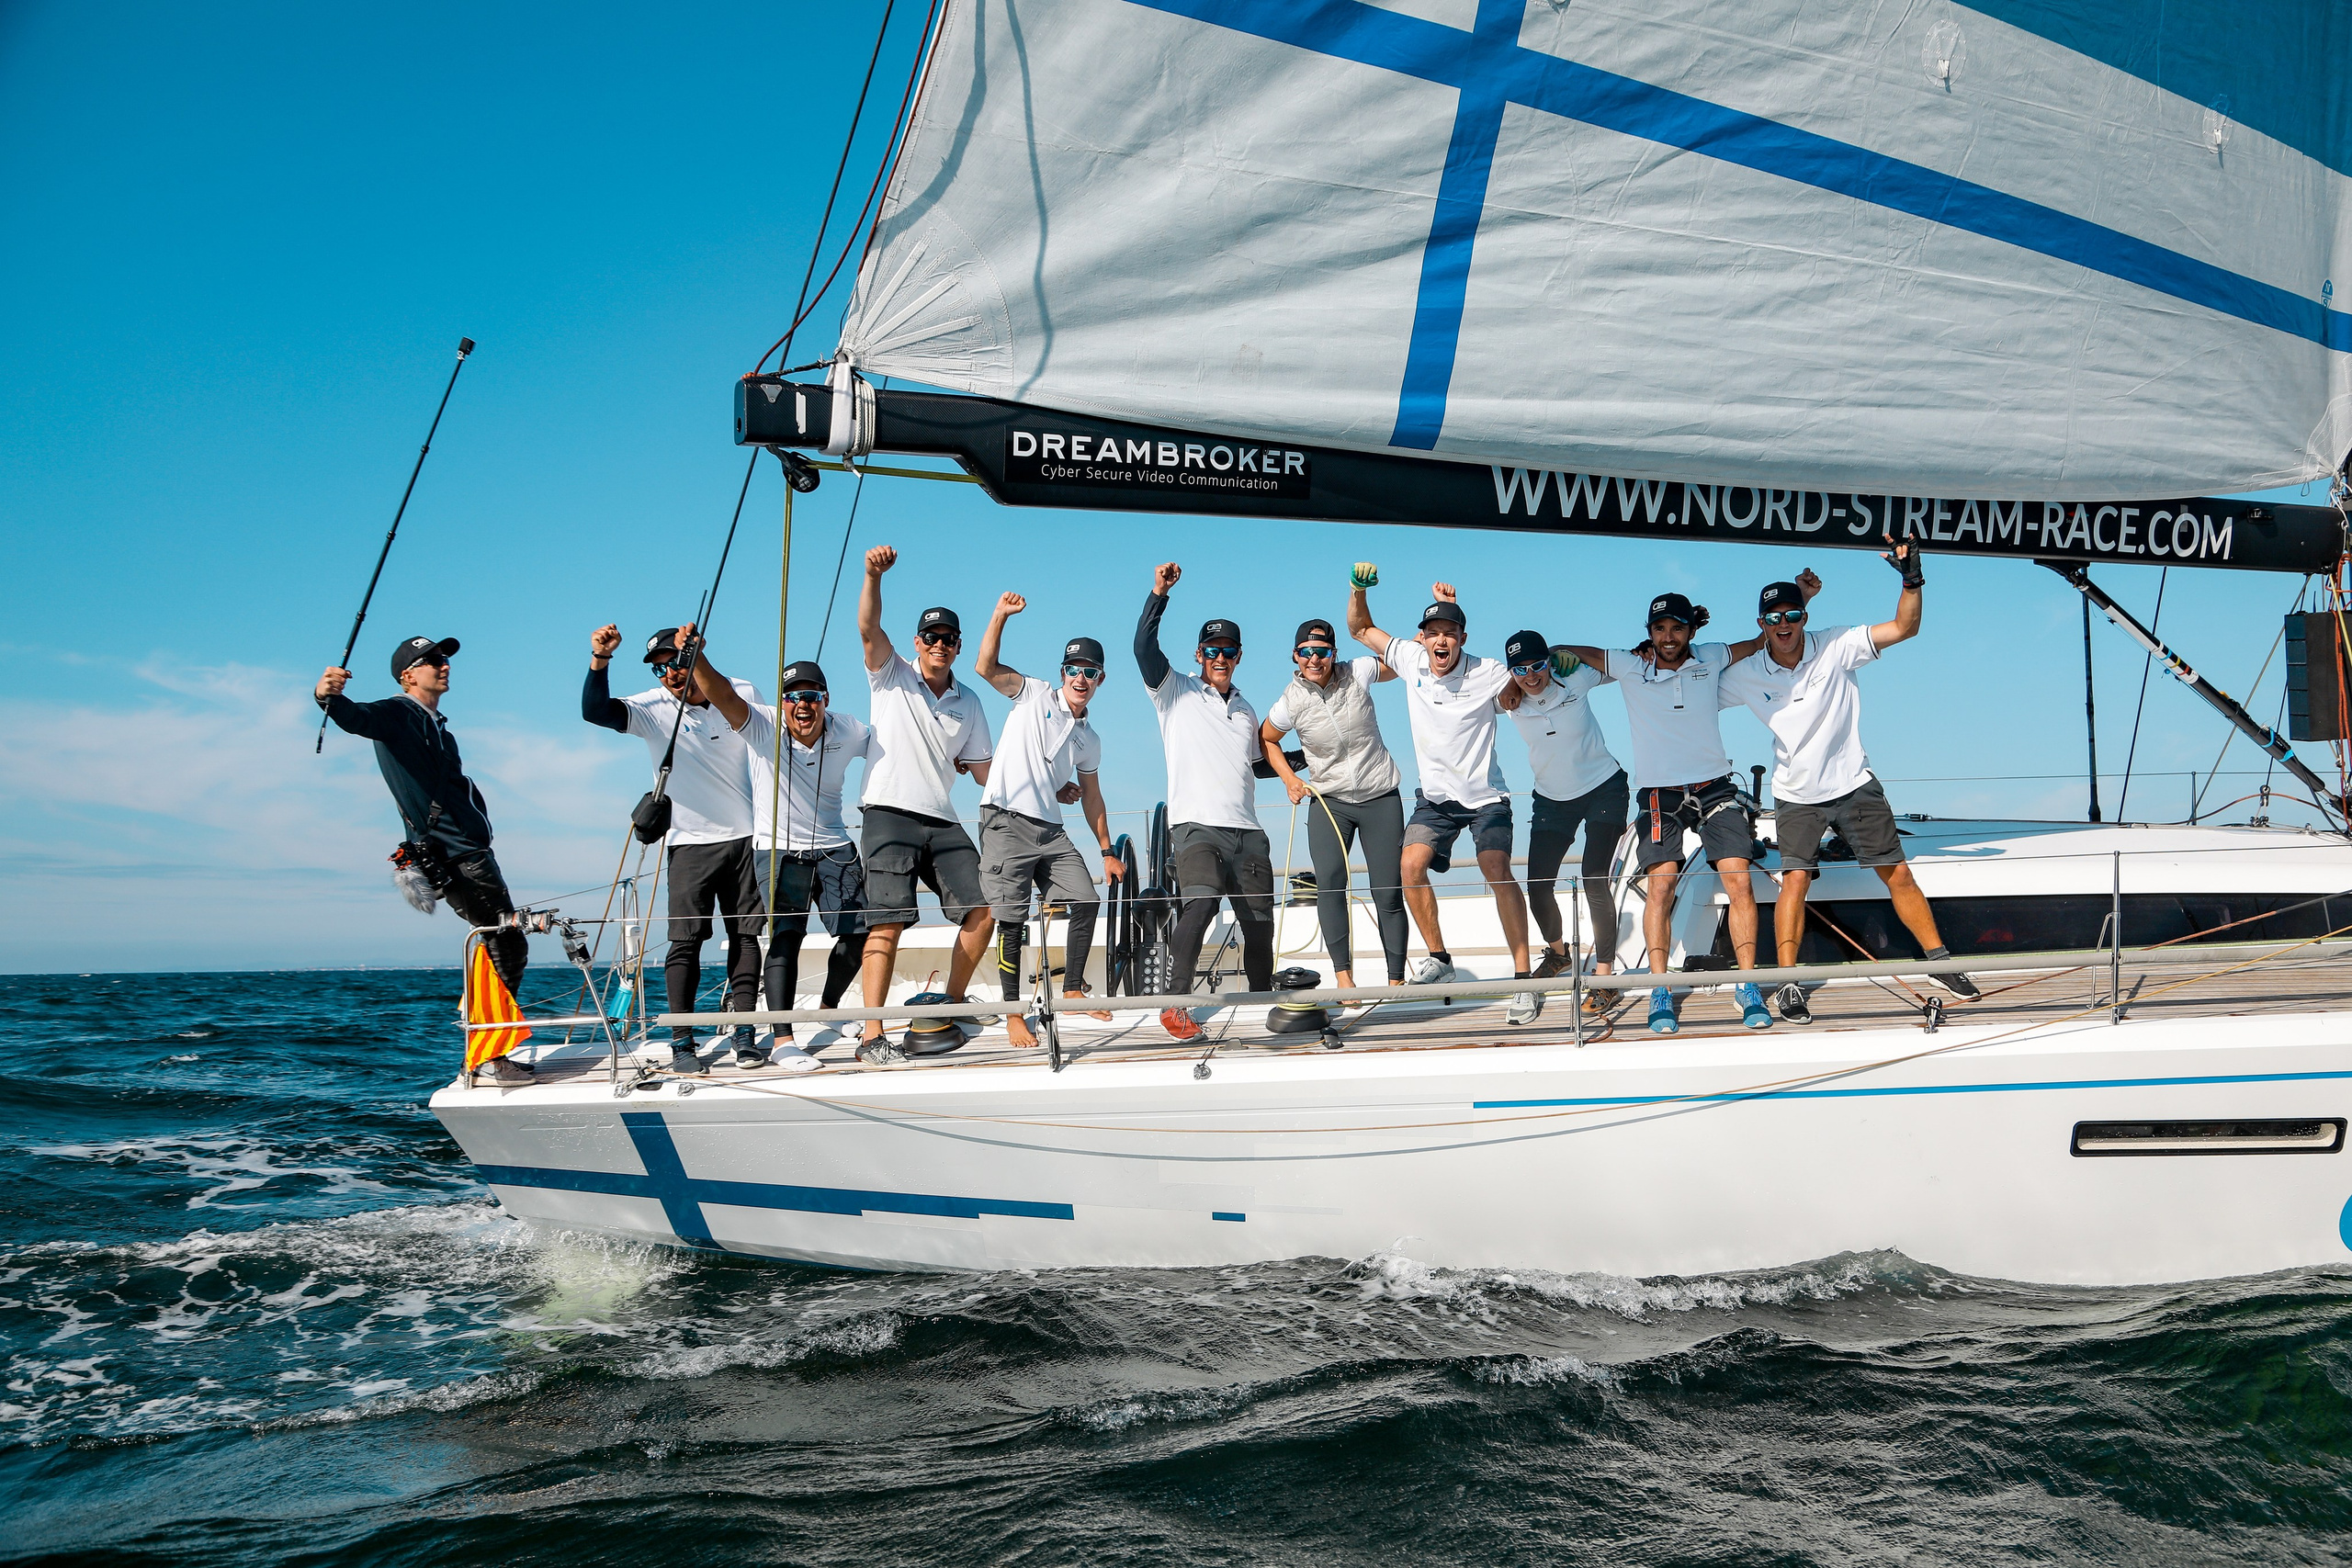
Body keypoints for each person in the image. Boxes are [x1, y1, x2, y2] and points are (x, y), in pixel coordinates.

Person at [1720, 542, 1978, 1022]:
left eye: (1792, 615)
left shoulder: (1837, 644)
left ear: (1803, 617)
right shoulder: (1746, 674)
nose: (1783, 624)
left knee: (1897, 872)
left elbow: (1905, 627)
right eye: (1773, 618)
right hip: (1796, 793)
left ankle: (1941, 963)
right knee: (1795, 880)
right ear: (1761, 624)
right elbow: (1692, 687)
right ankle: (1788, 983)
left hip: (1854, 784)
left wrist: (1911, 580)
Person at [1555, 581, 1813, 1035]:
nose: (1668, 636)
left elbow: (1763, 641)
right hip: (1660, 794)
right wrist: (1555, 653)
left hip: (1715, 787)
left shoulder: (1711, 656)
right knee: (1661, 886)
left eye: (1677, 628)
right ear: (1649, 633)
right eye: (1659, 629)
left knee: (1739, 880)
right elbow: (1577, 651)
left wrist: (1802, 603)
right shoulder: (1630, 665)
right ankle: (1660, 989)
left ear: (1692, 630)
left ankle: (1748, 985)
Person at [316, 636, 533, 1085]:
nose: (444, 665)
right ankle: (488, 1056)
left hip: (468, 850)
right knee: (505, 943)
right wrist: (327, 696)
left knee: (498, 944)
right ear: (407, 675)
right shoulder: (397, 713)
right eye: (432, 660)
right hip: (456, 854)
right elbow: (356, 718)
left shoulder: (439, 727)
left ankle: (485, 1051)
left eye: (445, 658)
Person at [1348, 570, 1542, 1025]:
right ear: (1423, 638)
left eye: (1449, 633)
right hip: (1435, 800)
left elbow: (1519, 689)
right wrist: (1358, 590)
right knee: (1409, 865)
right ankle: (1440, 959)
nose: (1440, 641)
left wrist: (1530, 682)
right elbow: (1360, 628)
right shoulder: (1411, 659)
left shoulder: (1487, 670)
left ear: (1462, 639)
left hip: (1486, 798)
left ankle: (1524, 980)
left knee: (1495, 868)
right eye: (1432, 632)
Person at [583, 623, 762, 1076]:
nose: (669, 674)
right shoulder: (652, 707)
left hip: (748, 838)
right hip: (688, 844)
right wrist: (600, 659)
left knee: (745, 937)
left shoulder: (740, 691)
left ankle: (744, 1034)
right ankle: (682, 1041)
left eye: (675, 662)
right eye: (659, 669)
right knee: (685, 944)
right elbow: (595, 712)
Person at [690, 649, 876, 1071]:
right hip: (780, 850)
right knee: (787, 937)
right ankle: (783, 1041)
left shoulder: (849, 730)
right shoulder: (763, 725)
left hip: (835, 847)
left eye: (811, 696)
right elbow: (721, 695)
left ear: (825, 700)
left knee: (857, 935)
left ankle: (829, 1011)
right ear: (782, 702)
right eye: (792, 697)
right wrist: (698, 658)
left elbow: (896, 744)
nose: (802, 705)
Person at [855, 546, 997, 1058]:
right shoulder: (890, 673)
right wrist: (873, 576)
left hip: (941, 818)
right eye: (931, 637)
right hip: (888, 812)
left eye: (948, 639)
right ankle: (872, 1034)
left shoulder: (970, 701)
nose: (940, 644)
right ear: (917, 643)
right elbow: (869, 628)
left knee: (984, 908)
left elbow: (986, 773)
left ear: (958, 646)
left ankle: (952, 1002)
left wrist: (1048, 786)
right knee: (887, 921)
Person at [971, 592, 1127, 1048]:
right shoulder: (1034, 693)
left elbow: (1092, 795)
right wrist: (1000, 615)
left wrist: (1107, 851)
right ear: (1062, 674)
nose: (1081, 678)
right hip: (1005, 820)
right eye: (1073, 669)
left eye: (1090, 672)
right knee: (1011, 919)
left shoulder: (1089, 739)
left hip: (1050, 830)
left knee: (1086, 899)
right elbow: (985, 667)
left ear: (1100, 680)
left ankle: (1073, 990)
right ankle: (1013, 1012)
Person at [1136, 561, 1278, 1042]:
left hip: (1248, 831)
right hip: (1195, 825)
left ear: (1239, 657)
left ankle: (1263, 1002)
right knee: (1200, 905)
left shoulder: (1247, 709)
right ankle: (1175, 1004)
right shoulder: (1173, 689)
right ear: (1199, 654)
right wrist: (1159, 593)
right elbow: (1143, 648)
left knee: (1259, 925)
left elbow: (1258, 764)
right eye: (1212, 650)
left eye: (1228, 651)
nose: (1220, 657)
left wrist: (1307, 759)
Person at [1259, 615, 1409, 994]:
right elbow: (1267, 740)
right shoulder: (1290, 701)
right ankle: (1344, 979)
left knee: (1388, 890)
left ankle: (1396, 981)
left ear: (1334, 653)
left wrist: (1420, 641)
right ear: (1296, 656)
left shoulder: (1358, 671)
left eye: (1322, 652)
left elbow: (1402, 663)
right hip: (1330, 802)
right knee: (1329, 885)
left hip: (1380, 796)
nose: (1315, 659)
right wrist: (1290, 779)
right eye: (1307, 652)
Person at [1497, 628, 1628, 1014]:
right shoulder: (1509, 699)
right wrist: (1511, 683)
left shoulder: (1575, 678)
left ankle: (1604, 978)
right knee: (1538, 886)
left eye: (1538, 665)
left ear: (1550, 663)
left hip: (1604, 788)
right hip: (1552, 799)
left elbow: (1620, 664)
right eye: (1520, 669)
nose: (1531, 675)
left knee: (1594, 878)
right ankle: (1559, 954)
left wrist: (1564, 650)